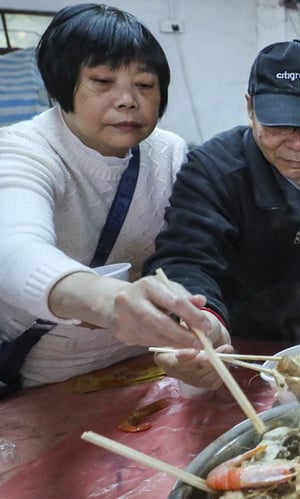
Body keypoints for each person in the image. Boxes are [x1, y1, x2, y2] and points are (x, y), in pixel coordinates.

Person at [145, 40, 300, 388]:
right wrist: (202, 318)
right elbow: (185, 256)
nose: (298, 144)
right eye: (279, 126)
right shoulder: (213, 169)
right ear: (250, 108)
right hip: (238, 354)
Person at [0, 3, 209, 393]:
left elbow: (195, 251)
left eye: (144, 85)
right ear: (61, 85)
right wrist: (108, 301)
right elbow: (14, 249)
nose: (127, 99)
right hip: (48, 382)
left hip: (153, 368)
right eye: (102, 81)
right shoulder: (21, 151)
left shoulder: (169, 154)